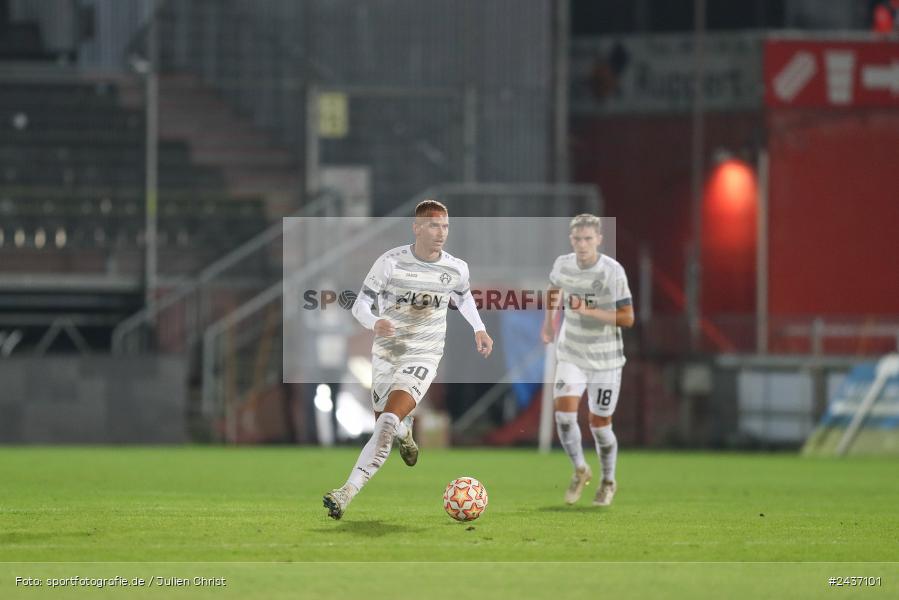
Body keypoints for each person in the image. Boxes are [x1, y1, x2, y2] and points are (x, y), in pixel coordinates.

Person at [323, 199, 493, 519]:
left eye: (445, 226)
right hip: (386, 354)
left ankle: (346, 492)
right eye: (433, 225)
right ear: (416, 228)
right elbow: (360, 305)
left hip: (424, 354)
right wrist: (375, 322)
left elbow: (464, 296)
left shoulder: (455, 267)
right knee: (387, 425)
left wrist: (479, 329)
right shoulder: (390, 263)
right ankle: (405, 432)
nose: (440, 232)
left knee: (385, 422)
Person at [541, 214, 634, 506]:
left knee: (600, 426)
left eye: (588, 239)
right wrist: (549, 323)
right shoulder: (563, 264)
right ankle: (580, 469)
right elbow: (554, 290)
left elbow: (627, 318)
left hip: (606, 359)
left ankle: (608, 481)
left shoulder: (612, 272)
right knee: (564, 416)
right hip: (571, 352)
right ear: (572, 240)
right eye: (578, 239)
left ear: (599, 240)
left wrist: (588, 311)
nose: (582, 244)